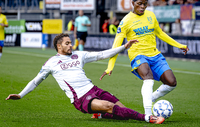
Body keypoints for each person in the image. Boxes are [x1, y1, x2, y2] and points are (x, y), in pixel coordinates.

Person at [6, 33, 164, 124]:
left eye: (71, 42)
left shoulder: (79, 55)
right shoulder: (51, 63)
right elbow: (35, 81)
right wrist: (20, 95)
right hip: (81, 98)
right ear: (59, 46)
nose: (71, 45)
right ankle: (147, 118)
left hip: (94, 89)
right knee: (110, 106)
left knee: (121, 111)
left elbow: (101, 54)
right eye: (67, 43)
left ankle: (100, 114)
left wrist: (124, 47)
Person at [100, 0, 189, 116]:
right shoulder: (125, 21)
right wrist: (110, 66)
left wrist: (180, 45)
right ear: (133, 3)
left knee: (171, 82)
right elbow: (116, 46)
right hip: (138, 55)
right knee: (148, 78)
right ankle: (148, 114)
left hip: (155, 55)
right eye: (139, 4)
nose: (142, 7)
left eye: (145, 4)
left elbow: (160, 33)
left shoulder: (151, 15)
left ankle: (150, 98)